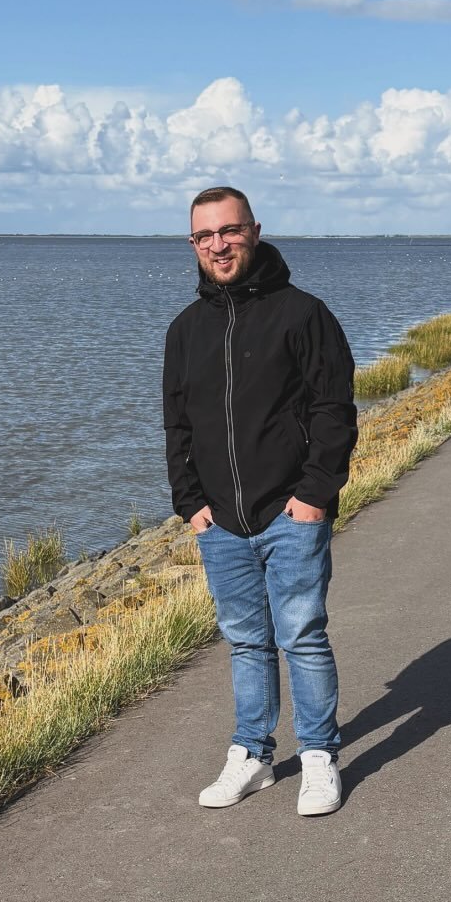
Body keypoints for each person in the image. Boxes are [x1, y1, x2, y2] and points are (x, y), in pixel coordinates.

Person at [163, 185, 358, 816]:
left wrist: (314, 494)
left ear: (253, 230)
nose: (218, 245)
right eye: (204, 235)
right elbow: (177, 426)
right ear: (193, 243)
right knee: (246, 641)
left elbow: (334, 410)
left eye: (229, 230)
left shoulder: (302, 314)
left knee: (302, 635)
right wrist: (191, 504)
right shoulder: (185, 330)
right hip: (220, 521)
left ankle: (319, 756)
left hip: (290, 513)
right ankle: (252, 754)